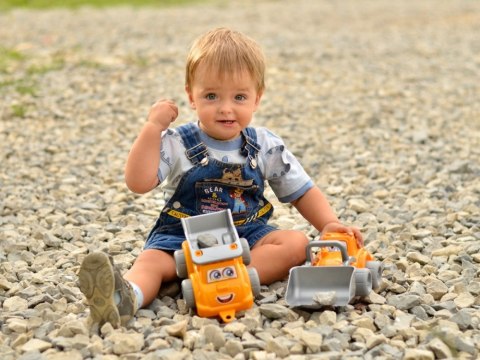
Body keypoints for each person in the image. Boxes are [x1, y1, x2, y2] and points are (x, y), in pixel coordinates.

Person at [78, 27, 363, 328]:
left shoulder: (263, 145)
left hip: (245, 237)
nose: (226, 108)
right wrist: (151, 129)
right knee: (150, 263)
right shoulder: (177, 142)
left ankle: (231, 279)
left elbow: (301, 190)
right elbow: (137, 182)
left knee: (293, 243)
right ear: (191, 95)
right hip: (182, 240)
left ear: (257, 98)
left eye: (239, 97)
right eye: (211, 95)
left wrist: (327, 223)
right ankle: (127, 298)